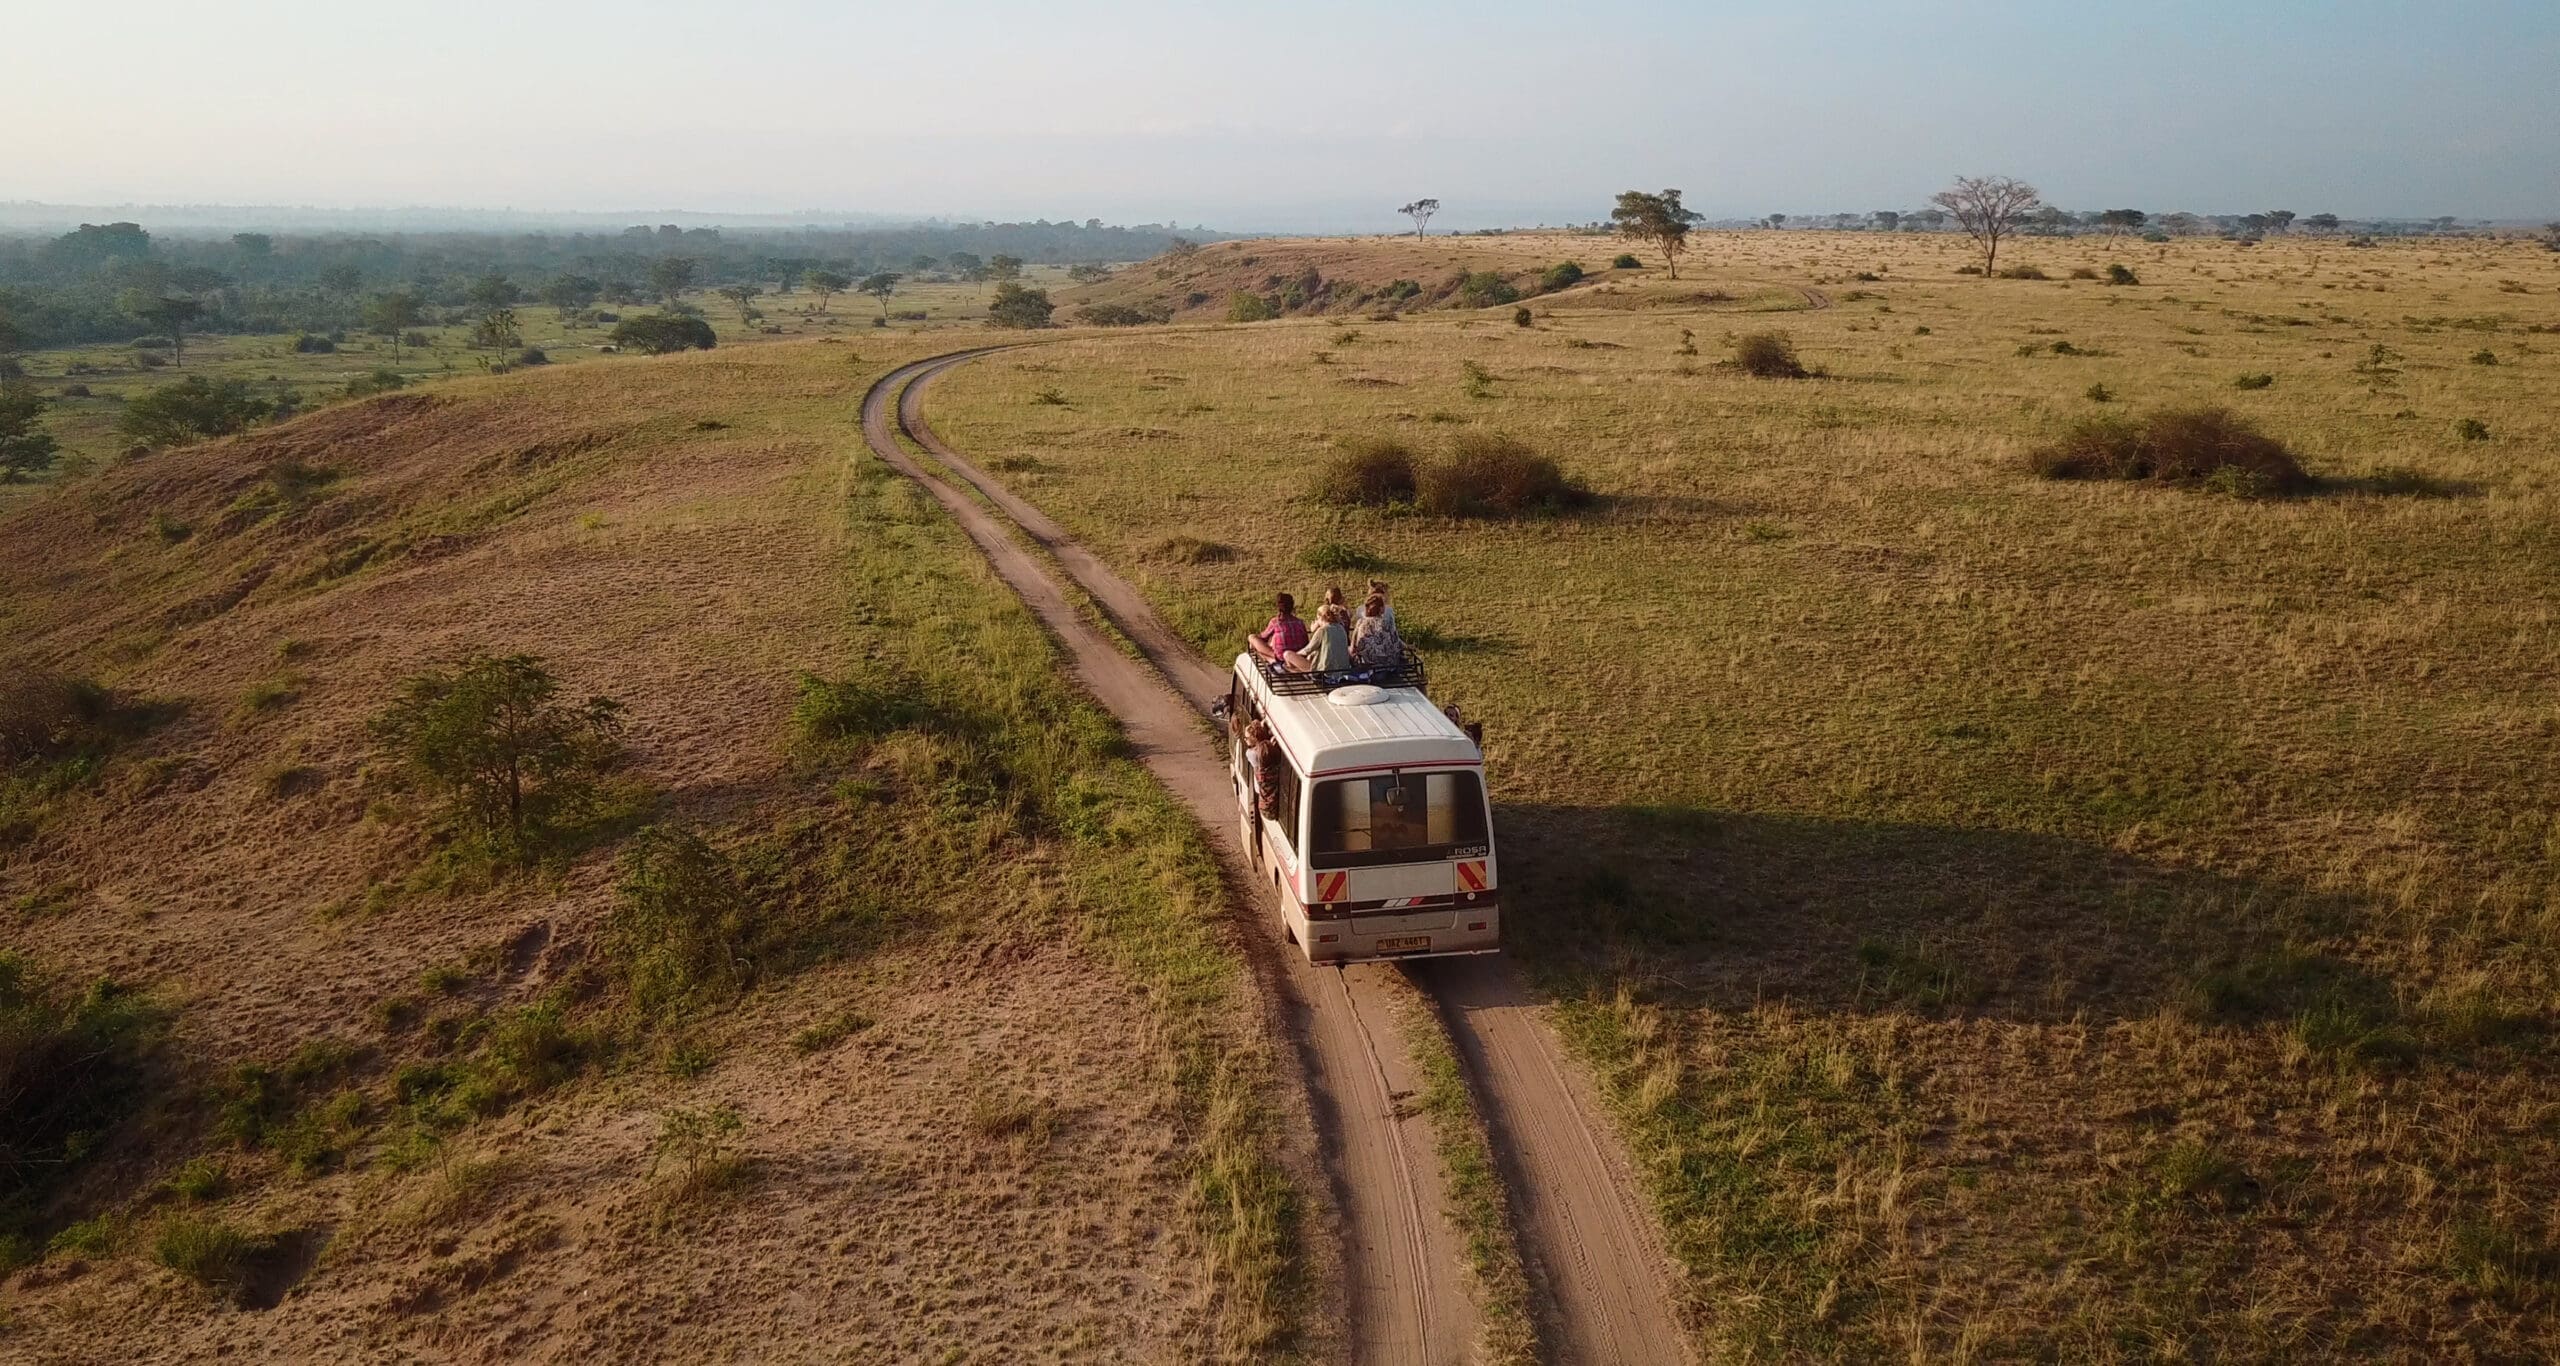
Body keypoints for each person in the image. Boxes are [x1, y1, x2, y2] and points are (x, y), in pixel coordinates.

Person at [1286, 602, 1351, 673]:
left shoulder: (1323, 630)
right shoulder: (1341, 628)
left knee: (1287, 654)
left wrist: (1296, 655)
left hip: (1325, 671)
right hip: (1343, 669)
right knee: (1310, 657)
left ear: (1320, 617)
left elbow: (1307, 650)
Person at [1248, 592, 1307, 665]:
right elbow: (1306, 642)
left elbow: (1263, 637)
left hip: (1281, 657)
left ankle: (1271, 658)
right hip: (1298, 657)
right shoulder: (1300, 622)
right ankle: (1271, 658)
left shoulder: (1275, 622)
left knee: (1252, 637)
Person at [1350, 593, 1404, 667]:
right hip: (1390, 663)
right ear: (1381, 609)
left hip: (1368, 664)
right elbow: (1397, 642)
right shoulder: (1388, 622)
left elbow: (1354, 647)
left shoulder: (1361, 623)